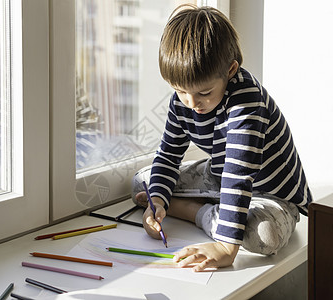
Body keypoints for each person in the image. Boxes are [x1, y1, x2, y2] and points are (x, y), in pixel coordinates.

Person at [132, 5, 313, 272]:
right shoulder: (184, 101)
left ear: (230, 70)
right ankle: (181, 205)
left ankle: (192, 211)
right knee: (142, 183)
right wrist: (157, 203)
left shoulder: (247, 100)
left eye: (204, 92)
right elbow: (169, 155)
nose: (192, 103)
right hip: (219, 177)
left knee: (264, 236)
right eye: (180, 91)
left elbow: (238, 175)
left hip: (271, 194)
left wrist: (226, 248)